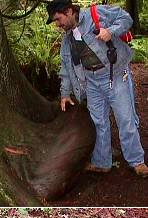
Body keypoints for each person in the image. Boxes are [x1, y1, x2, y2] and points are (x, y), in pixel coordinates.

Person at [49, 0, 148, 176]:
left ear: (69, 11)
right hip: (91, 82)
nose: (57, 24)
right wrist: (65, 93)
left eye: (58, 19)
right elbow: (66, 67)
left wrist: (110, 31)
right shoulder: (68, 40)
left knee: (125, 118)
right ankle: (102, 162)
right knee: (98, 122)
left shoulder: (97, 14)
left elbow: (126, 19)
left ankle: (136, 161)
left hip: (115, 75)